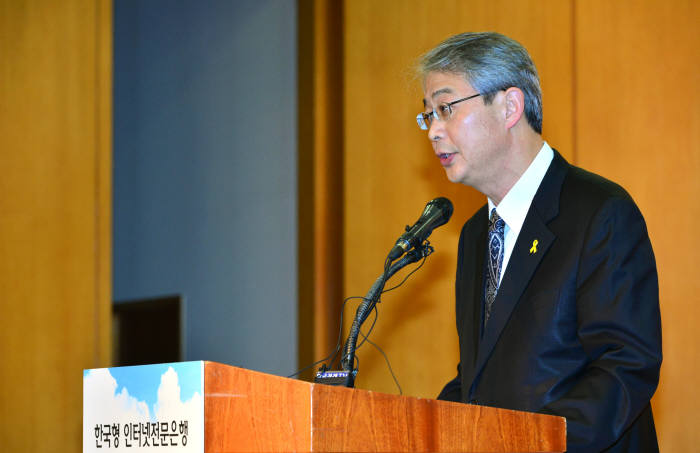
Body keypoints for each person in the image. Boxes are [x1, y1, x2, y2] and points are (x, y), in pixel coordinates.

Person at [416, 32, 662, 452]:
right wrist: (425, 435)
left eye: (446, 108)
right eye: (427, 116)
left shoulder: (600, 211)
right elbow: (478, 379)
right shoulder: (476, 234)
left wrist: (528, 444)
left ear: (510, 106)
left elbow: (625, 368)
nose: (434, 131)